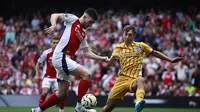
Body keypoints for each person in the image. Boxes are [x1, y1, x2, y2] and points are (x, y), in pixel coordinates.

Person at [31, 8, 109, 112]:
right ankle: (80, 107)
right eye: (90, 22)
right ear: (84, 17)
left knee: (62, 94)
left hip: (63, 59)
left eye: (93, 23)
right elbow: (55, 15)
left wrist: (102, 58)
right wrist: (54, 25)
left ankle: (38, 110)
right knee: (86, 74)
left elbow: (87, 53)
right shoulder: (73, 19)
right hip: (60, 56)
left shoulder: (83, 34)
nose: (91, 25)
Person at [101, 25, 184, 112]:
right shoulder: (118, 48)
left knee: (141, 80)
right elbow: (108, 65)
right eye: (126, 34)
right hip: (121, 80)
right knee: (108, 108)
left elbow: (154, 53)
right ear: (123, 35)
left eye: (130, 35)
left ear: (134, 36)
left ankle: (138, 104)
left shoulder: (140, 46)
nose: (127, 37)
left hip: (134, 79)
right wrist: (113, 57)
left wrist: (170, 60)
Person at [35, 37, 65, 112]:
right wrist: (37, 74)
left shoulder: (62, 54)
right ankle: (39, 109)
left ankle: (61, 109)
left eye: (57, 43)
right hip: (47, 76)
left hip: (57, 78)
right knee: (44, 92)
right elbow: (38, 63)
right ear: (51, 44)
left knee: (60, 95)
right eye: (54, 43)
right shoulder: (46, 53)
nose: (55, 44)